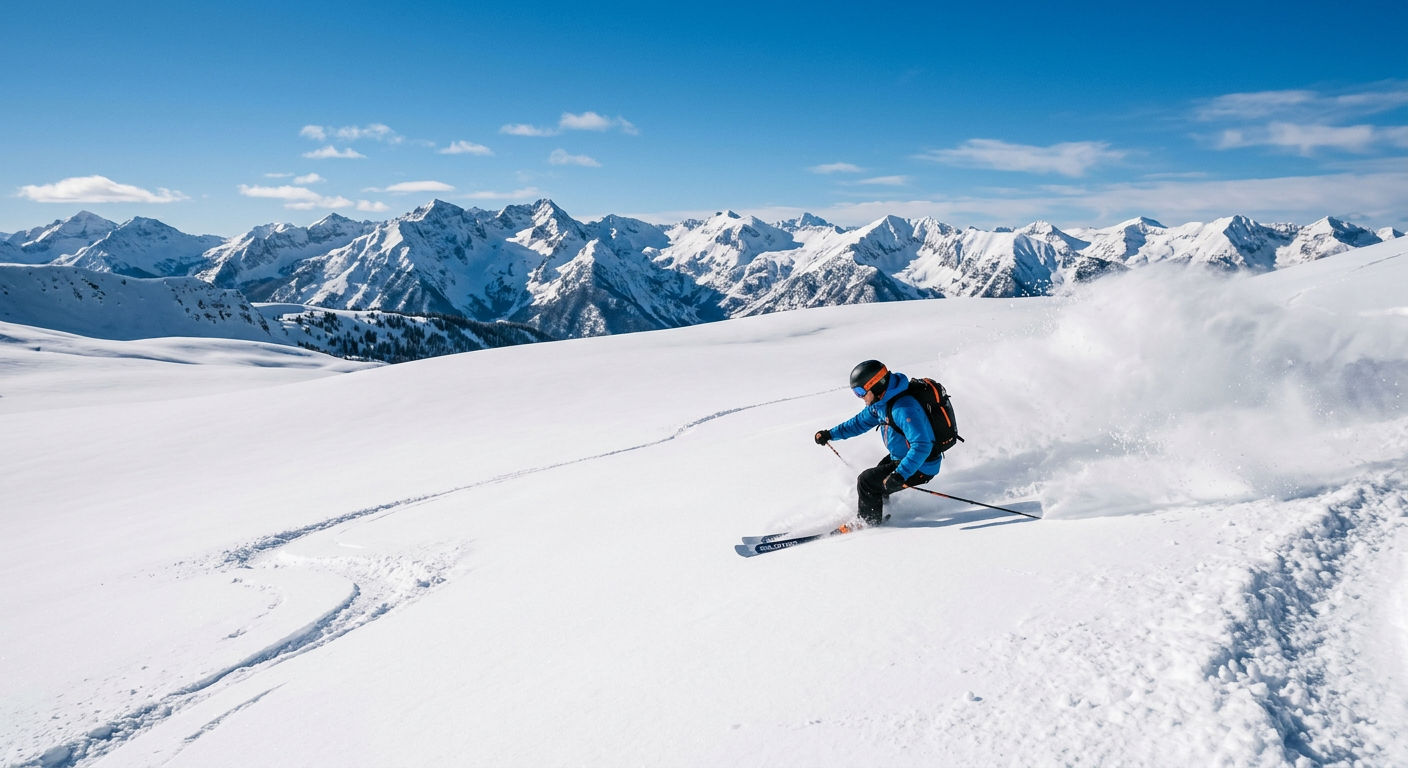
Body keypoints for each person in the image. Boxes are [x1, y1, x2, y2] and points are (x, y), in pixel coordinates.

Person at [814, 360, 942, 527]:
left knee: (867, 481)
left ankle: (868, 523)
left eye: (860, 391)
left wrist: (900, 474)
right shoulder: (881, 403)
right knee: (877, 477)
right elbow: (859, 423)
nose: (860, 397)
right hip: (903, 456)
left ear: (876, 385)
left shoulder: (903, 408)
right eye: (855, 393)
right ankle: (882, 510)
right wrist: (830, 434)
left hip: (923, 464)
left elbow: (922, 445)